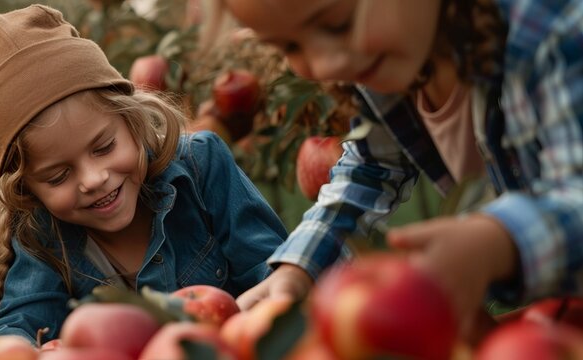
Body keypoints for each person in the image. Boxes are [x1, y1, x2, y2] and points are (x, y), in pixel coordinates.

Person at [221, 0, 583, 338]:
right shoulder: (392, 62)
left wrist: (498, 238)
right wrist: (299, 267)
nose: (326, 66)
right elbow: (371, 168)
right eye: (290, 48)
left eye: (338, 23)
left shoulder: (549, 30)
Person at [0, 4, 287, 343]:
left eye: (104, 147)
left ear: (131, 120)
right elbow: (15, 324)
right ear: (28, 191)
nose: (94, 179)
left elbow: (274, 276)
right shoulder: (45, 235)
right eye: (57, 177)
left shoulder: (201, 166)